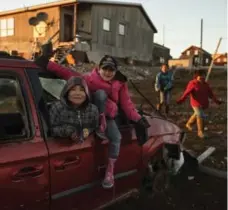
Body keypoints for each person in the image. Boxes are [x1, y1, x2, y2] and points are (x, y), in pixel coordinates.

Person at [35, 44, 150, 189]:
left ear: (115, 71)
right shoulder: (89, 79)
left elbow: (127, 105)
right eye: (105, 69)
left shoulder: (119, 84)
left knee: (117, 137)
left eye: (111, 70)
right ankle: (99, 123)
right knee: (100, 94)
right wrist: (47, 64)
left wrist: (138, 119)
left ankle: (110, 170)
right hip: (92, 114)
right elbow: (67, 73)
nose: (108, 73)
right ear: (99, 68)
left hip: (108, 116)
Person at [49, 76, 99, 143]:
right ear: (67, 92)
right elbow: (50, 130)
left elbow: (95, 127)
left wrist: (88, 130)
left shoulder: (93, 109)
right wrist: (67, 131)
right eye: (73, 89)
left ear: (86, 93)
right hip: (63, 148)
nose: (77, 93)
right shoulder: (57, 107)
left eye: (82, 90)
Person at [176, 70, 222, 139]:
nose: (202, 78)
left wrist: (217, 101)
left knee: (196, 114)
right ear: (196, 77)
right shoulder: (193, 83)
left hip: (203, 103)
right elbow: (187, 92)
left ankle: (188, 124)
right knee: (200, 115)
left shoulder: (206, 84)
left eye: (203, 76)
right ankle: (200, 132)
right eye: (200, 77)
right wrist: (181, 100)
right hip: (195, 103)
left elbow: (211, 94)